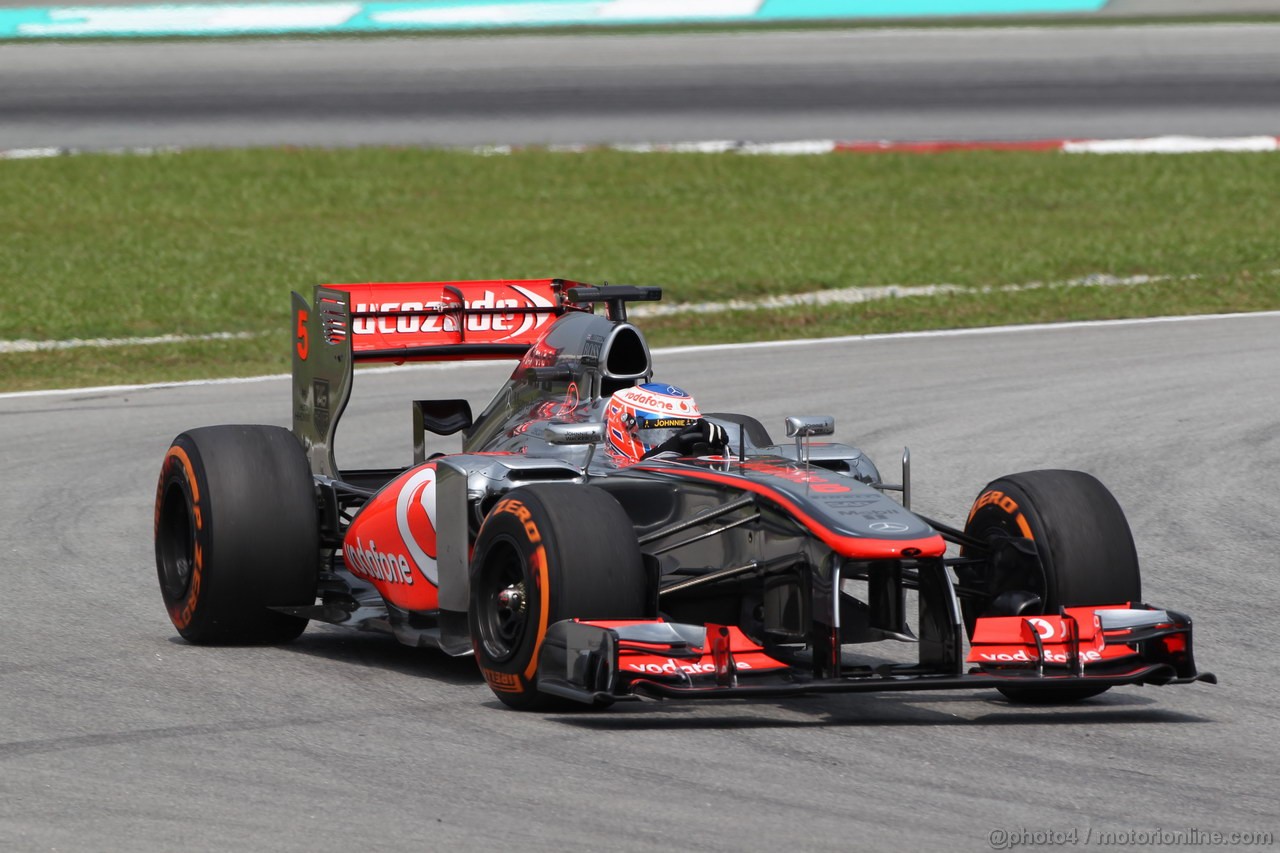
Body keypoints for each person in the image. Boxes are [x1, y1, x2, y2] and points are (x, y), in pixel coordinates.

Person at [604, 383, 729, 465]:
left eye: (683, 431)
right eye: (659, 432)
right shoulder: (595, 473)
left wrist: (724, 452)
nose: (671, 440)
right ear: (625, 428)